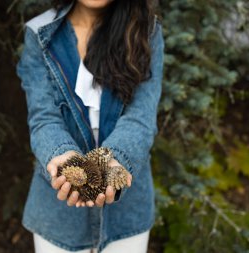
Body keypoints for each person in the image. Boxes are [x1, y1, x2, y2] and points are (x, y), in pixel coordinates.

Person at [16, 0, 165, 252]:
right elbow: (43, 118)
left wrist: (112, 162)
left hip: (127, 214)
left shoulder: (145, 32)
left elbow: (141, 117)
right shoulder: (39, 34)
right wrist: (62, 155)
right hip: (57, 217)